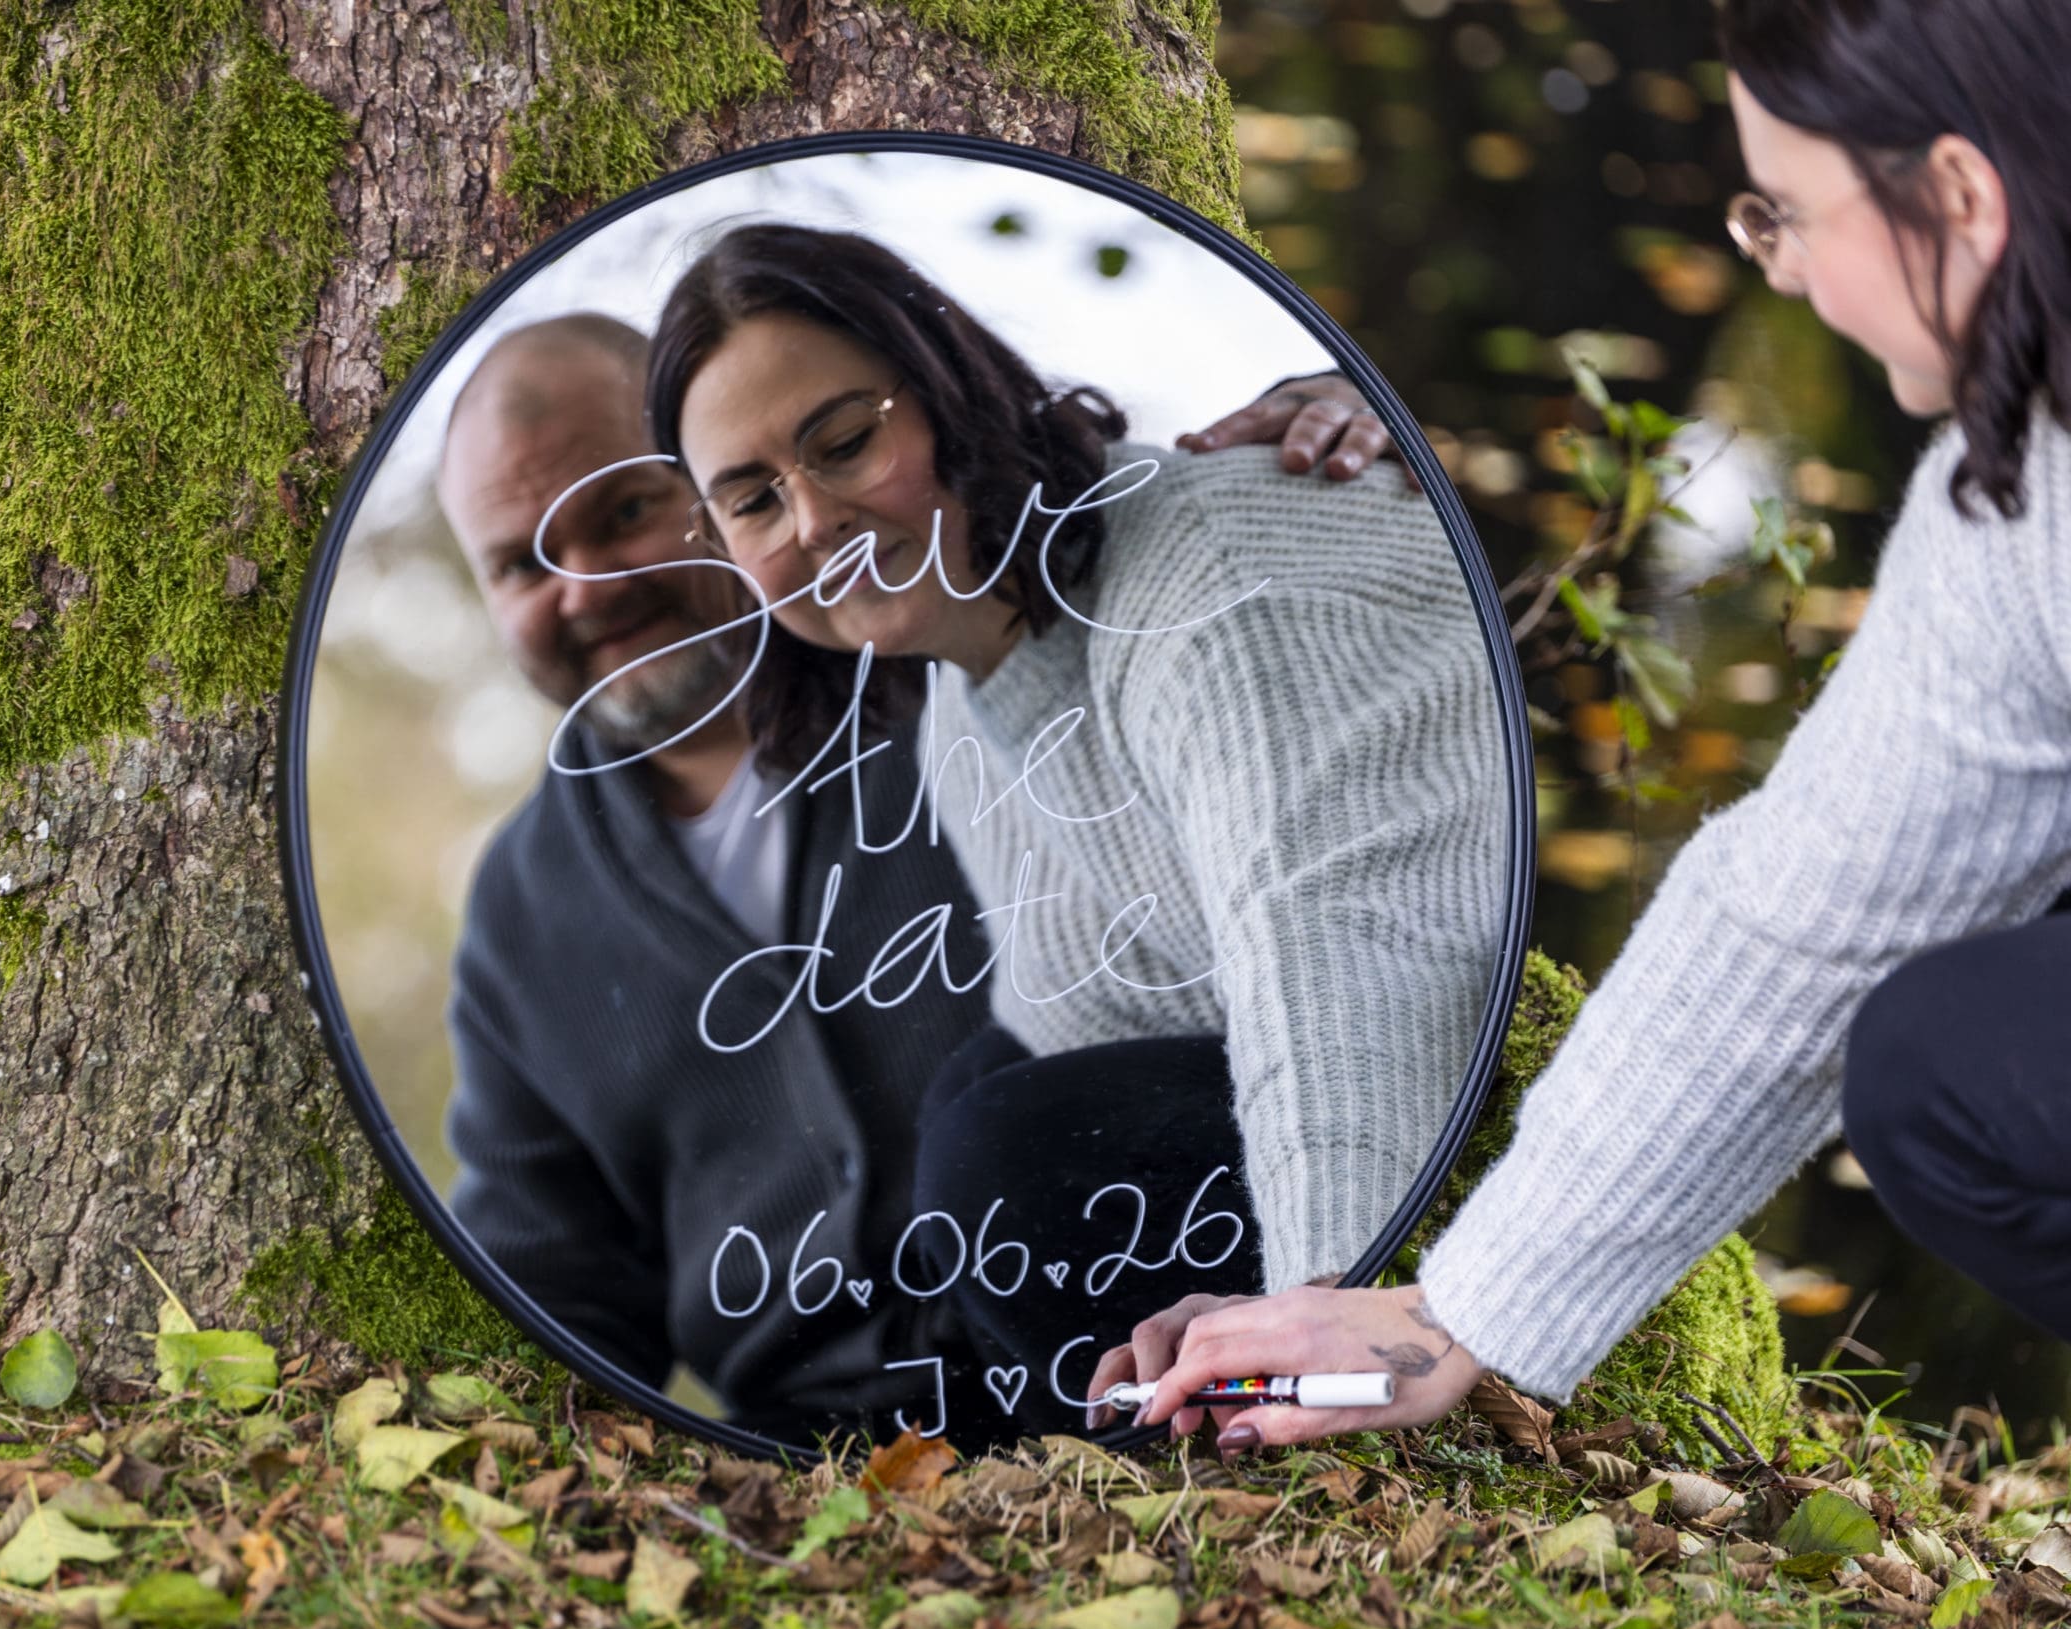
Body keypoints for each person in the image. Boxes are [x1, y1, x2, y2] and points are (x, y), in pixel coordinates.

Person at [1125, 0, 2071, 1457]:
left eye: (1786, 211)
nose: (1773, 262)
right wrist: (1463, 1310)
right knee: (2052, 886)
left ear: (1962, 194)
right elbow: (1812, 910)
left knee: (1951, 1070)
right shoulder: (2041, 479)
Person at [429, 311, 1406, 1435]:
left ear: (722, 489)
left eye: (624, 512)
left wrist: (1337, 398)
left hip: (1155, 1389)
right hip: (814, 1476)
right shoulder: (520, 908)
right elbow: (550, 1288)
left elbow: (1147, 541)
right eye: (521, 563)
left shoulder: (961, 649)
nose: (588, 587)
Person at [642, 225, 1511, 1414]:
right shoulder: (963, 708)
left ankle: (1251, 1409)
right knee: (978, 1105)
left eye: (843, 444)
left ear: (947, 389)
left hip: (1458, 1107)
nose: (811, 521)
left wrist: (1325, 1310)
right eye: (751, 501)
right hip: (1315, 1093)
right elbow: (1089, 1020)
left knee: (1013, 1151)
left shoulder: (1206, 574)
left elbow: (1341, 953)